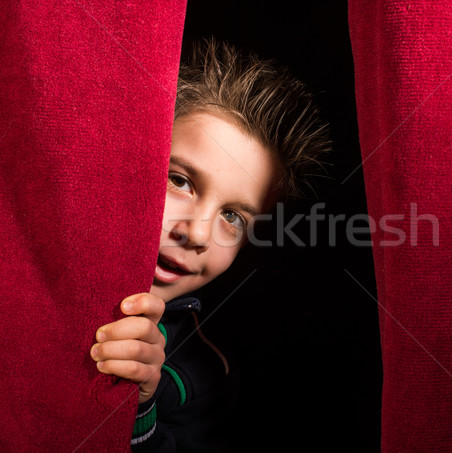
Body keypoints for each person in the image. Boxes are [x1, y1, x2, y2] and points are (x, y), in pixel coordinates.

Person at [88, 38, 329, 451]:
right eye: (180, 181)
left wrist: (138, 405)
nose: (197, 234)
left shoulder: (205, 377)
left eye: (232, 216)